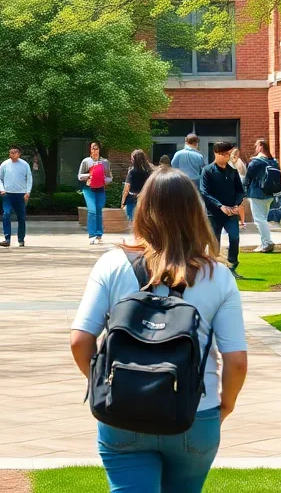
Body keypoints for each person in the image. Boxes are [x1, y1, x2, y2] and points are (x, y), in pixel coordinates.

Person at [69, 170, 249, 493]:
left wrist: (104, 384)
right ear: (195, 212)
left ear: (143, 208)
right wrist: (225, 406)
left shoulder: (111, 265)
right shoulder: (218, 276)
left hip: (122, 410)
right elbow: (235, 360)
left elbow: (80, 340)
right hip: (195, 412)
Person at [198, 142, 245, 277]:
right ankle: (214, 268)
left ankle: (232, 265)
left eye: (229, 154)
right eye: (224, 154)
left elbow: (240, 191)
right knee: (214, 240)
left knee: (234, 236)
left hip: (231, 212)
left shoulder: (232, 171)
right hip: (214, 212)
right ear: (216, 153)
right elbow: (204, 192)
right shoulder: (208, 171)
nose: (227, 157)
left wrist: (236, 204)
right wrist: (220, 206)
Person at [243, 139, 280, 253]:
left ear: (260, 147)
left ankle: (267, 242)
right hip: (270, 194)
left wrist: (243, 191)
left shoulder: (256, 162)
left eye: (256, 146)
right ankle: (265, 241)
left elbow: (248, 178)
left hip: (257, 194)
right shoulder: (273, 161)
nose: (255, 148)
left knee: (259, 220)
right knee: (263, 219)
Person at [0, 145, 33, 247]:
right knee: (6, 214)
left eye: (15, 152)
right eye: (11, 152)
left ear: (19, 154)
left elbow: (29, 178)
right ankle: (7, 238)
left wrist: (28, 192)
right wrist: (1, 189)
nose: (13, 154)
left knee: (21, 216)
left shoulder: (24, 165)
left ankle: (21, 238)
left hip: (20, 194)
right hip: (7, 194)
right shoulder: (5, 164)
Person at [79, 141, 112, 245]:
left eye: (96, 148)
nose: (94, 151)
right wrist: (90, 175)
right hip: (88, 188)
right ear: (90, 150)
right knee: (92, 210)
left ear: (99, 150)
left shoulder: (105, 162)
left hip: (100, 188)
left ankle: (99, 234)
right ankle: (91, 235)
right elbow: (79, 176)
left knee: (98, 210)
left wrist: (103, 180)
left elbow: (110, 177)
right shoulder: (86, 161)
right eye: (93, 148)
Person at [120, 149, 152, 220]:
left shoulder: (132, 172)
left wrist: (123, 202)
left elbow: (127, 188)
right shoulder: (148, 172)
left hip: (131, 199)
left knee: (132, 221)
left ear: (134, 159)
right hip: (144, 199)